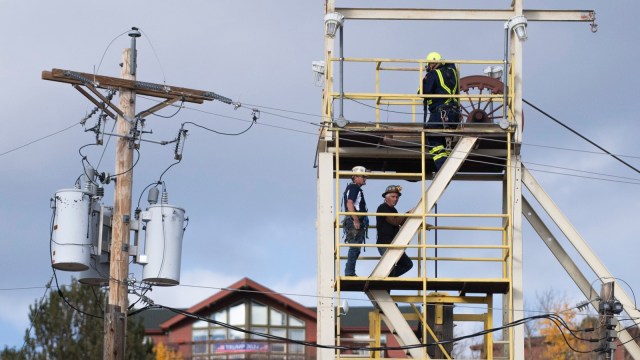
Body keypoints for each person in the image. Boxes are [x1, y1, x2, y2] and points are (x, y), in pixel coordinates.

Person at [421, 51, 460, 171]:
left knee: (432, 138)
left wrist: (423, 83)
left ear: (432, 63)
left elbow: (423, 93)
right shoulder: (453, 72)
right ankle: (448, 163)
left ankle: (444, 167)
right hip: (454, 114)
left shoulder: (434, 74)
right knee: (442, 141)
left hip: (440, 114)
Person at [376, 185, 413, 277]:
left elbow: (402, 220)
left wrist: (423, 224)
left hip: (393, 244)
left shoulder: (393, 210)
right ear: (386, 197)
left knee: (407, 264)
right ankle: (386, 280)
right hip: (386, 244)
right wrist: (408, 213)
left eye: (397, 197)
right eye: (393, 196)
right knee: (391, 267)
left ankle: (387, 279)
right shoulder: (383, 208)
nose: (395, 199)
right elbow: (395, 221)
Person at [343, 165, 369, 277]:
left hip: (353, 220)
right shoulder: (354, 188)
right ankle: (349, 272)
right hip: (354, 220)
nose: (365, 179)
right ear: (356, 177)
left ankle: (350, 272)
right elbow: (350, 203)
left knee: (356, 248)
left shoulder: (353, 188)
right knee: (354, 247)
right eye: (363, 176)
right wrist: (356, 220)